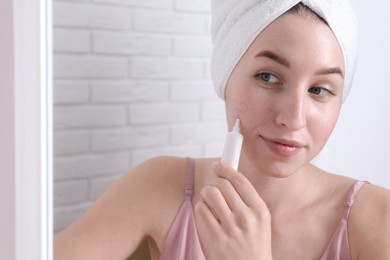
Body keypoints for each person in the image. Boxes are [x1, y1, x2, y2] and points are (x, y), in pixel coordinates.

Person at [54, 0, 390, 259]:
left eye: (319, 90)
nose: (294, 117)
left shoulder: (377, 219)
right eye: (268, 77)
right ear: (226, 78)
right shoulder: (160, 187)